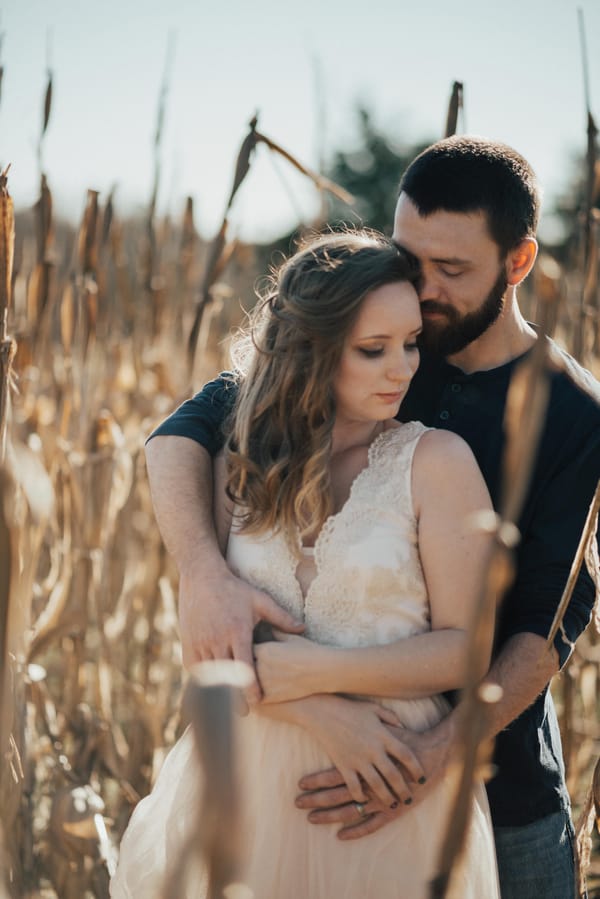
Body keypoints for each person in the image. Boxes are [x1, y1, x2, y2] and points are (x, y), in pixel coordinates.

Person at [143, 136, 600, 899]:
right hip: (284, 767)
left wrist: (434, 751)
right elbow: (179, 436)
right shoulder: (366, 334)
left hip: (496, 772)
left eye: (451, 270)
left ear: (518, 263)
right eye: (408, 255)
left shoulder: (575, 414)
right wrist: (201, 571)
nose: (420, 288)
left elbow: (548, 623)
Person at [111, 231, 501, 898]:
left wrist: (315, 670)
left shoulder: (437, 462)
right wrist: (323, 712)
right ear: (310, 351)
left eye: (411, 343)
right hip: (246, 778)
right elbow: (204, 642)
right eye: (372, 350)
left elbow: (467, 651)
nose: (402, 369)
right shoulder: (238, 463)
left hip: (387, 789)